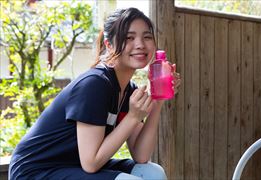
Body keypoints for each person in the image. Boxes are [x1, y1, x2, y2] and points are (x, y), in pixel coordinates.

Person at [9, 7, 181, 180]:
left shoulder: (129, 90)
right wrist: (133, 117)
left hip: (73, 165)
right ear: (109, 44)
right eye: (129, 37)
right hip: (35, 171)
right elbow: (91, 163)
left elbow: (141, 156)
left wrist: (158, 99)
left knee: (153, 173)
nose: (140, 44)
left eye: (147, 37)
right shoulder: (94, 85)